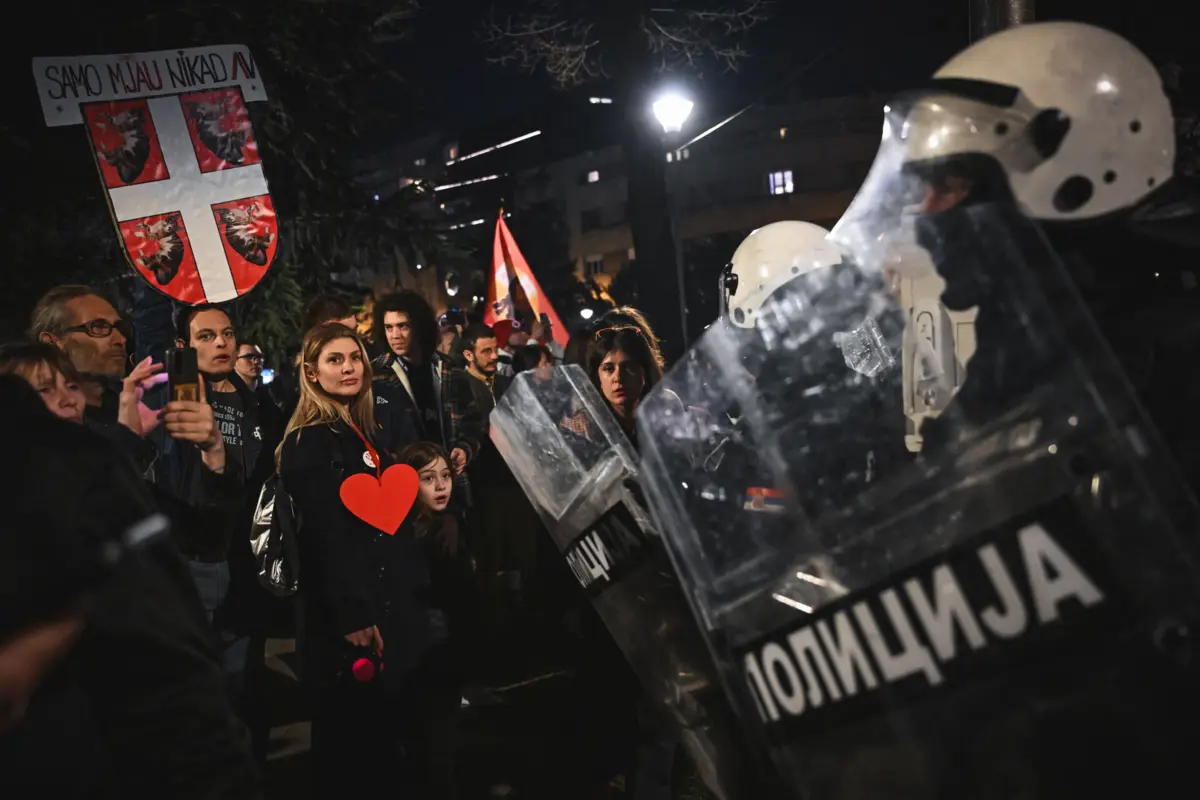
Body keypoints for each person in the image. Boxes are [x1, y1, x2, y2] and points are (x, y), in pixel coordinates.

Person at [0, 367, 260, 797]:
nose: (70, 400)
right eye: (44, 391)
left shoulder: (109, 479)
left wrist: (214, 451)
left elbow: (205, 533)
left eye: (71, 386)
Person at [278, 323, 436, 794]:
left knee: (381, 739)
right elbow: (324, 539)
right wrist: (353, 613)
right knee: (351, 743)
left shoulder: (357, 430)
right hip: (347, 619)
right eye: (334, 360)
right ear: (311, 372)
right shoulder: (311, 441)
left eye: (354, 358)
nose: (348, 368)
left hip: (384, 601)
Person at [399, 441, 480, 799]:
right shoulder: (406, 535)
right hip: (423, 657)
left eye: (445, 476)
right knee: (428, 748)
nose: (441, 486)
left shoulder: (448, 525)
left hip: (448, 654)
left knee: (440, 745)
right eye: (428, 478)